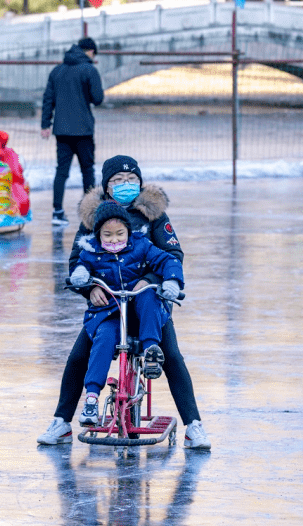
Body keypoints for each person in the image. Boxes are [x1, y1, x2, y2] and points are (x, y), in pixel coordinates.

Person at [38, 154, 211, 449]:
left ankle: (194, 426)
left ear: (140, 183)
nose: (125, 185)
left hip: (148, 303)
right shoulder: (94, 217)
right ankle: (61, 422)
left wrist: (153, 282)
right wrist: (89, 289)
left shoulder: (154, 215)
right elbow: (78, 262)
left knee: (170, 355)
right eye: (118, 181)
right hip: (108, 306)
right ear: (107, 187)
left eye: (131, 180)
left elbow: (173, 256)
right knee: (80, 354)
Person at [69, 201, 184, 425]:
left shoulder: (141, 245)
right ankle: (91, 397)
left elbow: (168, 259)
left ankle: (151, 349)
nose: (114, 240)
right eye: (107, 235)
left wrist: (171, 281)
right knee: (103, 338)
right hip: (109, 311)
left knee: (148, 296)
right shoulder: (92, 252)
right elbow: (79, 266)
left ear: (128, 232)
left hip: (137, 310)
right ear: (98, 234)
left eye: (120, 233)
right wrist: (83, 277)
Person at [40, 37, 104, 226]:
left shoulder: (57, 70)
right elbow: (98, 98)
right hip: (83, 129)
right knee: (87, 170)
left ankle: (57, 212)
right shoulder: (89, 70)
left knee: (61, 171)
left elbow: (47, 99)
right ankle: (90, 212)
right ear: (90, 51)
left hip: (61, 131)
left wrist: (45, 124)